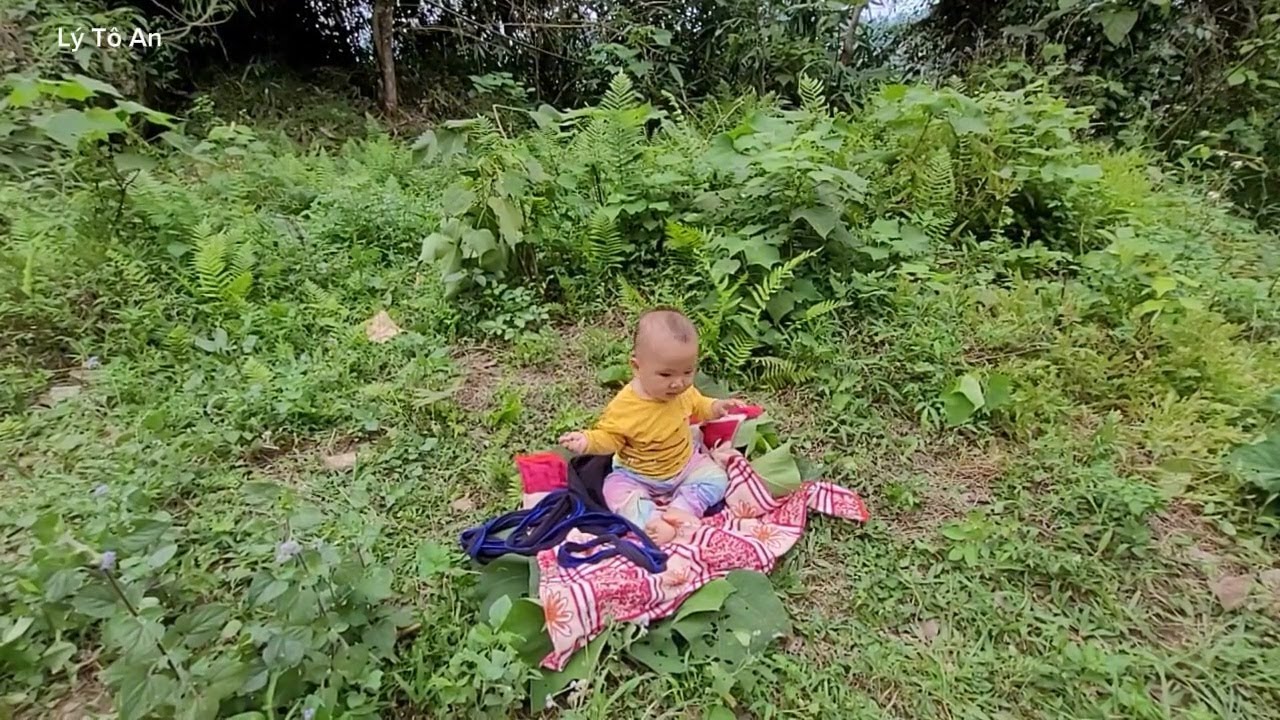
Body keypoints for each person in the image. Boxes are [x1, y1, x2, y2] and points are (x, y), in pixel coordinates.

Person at [559, 308, 746, 543]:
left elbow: (699, 405)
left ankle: (682, 508)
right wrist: (588, 441)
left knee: (717, 478)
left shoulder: (683, 393)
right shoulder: (626, 407)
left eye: (688, 372)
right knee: (615, 492)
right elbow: (611, 438)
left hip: (684, 464)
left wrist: (717, 407)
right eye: (666, 375)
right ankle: (651, 522)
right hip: (637, 473)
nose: (678, 383)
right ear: (637, 367)